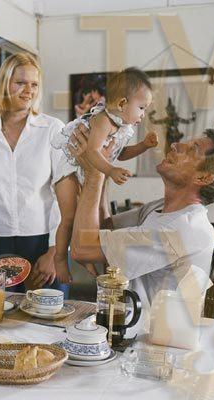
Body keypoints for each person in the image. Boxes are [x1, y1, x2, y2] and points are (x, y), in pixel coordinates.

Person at [69, 125, 214, 334]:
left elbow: (82, 249)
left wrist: (94, 175)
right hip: (128, 325)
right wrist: (104, 169)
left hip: (153, 342)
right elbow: (104, 227)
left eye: (192, 149)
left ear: (203, 178)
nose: (175, 145)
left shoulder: (182, 228)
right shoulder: (162, 209)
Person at [0, 52, 65, 294]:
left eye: (34, 84)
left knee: (47, 313)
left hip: (44, 241)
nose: (29, 90)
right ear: (4, 84)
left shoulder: (53, 130)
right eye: (21, 83)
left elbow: (63, 197)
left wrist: (55, 251)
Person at [51, 67, 159, 283]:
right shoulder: (103, 120)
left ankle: (85, 258)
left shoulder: (122, 127)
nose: (143, 115)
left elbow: (120, 153)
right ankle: (60, 258)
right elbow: (92, 151)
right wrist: (110, 170)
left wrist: (143, 146)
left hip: (86, 170)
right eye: (141, 108)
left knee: (88, 219)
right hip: (69, 171)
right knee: (69, 217)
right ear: (122, 104)